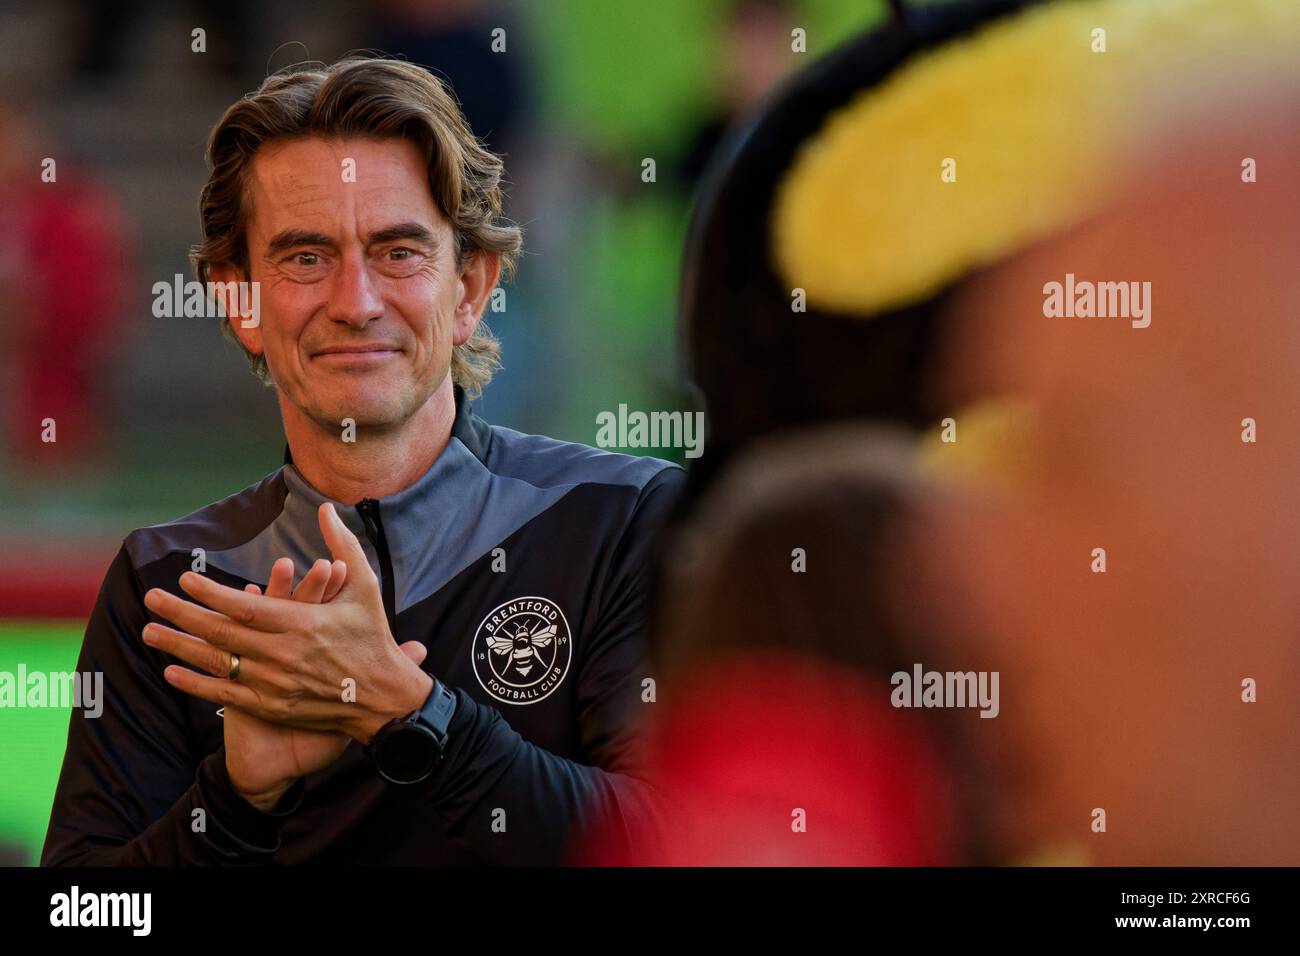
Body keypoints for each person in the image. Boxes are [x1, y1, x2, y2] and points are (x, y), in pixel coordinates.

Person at [42, 57, 683, 866]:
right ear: (238, 303)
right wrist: (236, 806)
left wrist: (413, 715)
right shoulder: (171, 587)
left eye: (398, 252)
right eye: (306, 258)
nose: (355, 302)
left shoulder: (626, 521)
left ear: (470, 290)